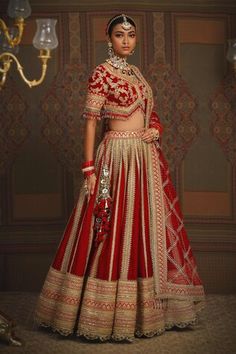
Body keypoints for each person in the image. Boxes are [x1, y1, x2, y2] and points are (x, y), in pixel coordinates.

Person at [35, 14, 205, 342]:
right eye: (119, 35)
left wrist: (155, 128)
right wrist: (89, 169)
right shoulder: (102, 74)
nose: (126, 41)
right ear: (108, 39)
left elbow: (148, 109)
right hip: (115, 160)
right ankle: (97, 314)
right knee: (106, 227)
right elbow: (90, 121)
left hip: (143, 160)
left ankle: (143, 312)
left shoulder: (137, 74)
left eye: (131, 35)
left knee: (142, 228)